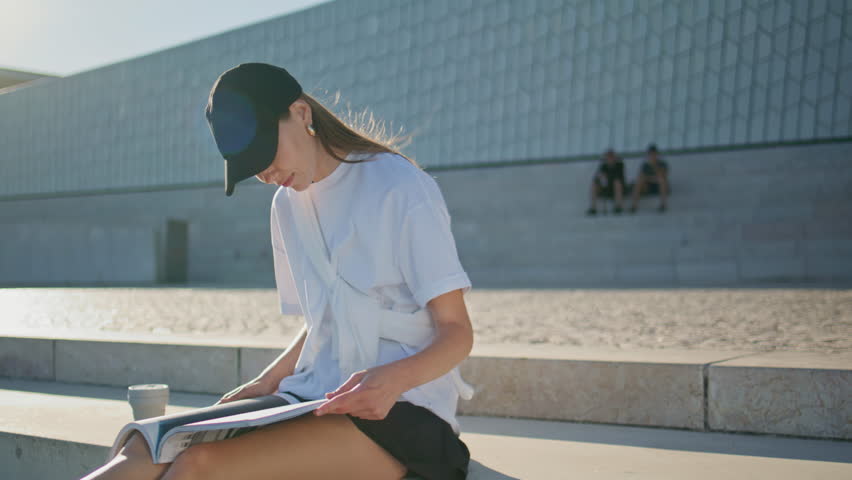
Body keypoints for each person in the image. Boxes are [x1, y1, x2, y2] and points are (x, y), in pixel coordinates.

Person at [81, 63, 475, 480]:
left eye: (266, 151)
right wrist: (268, 381)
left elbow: (457, 331)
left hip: (403, 409)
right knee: (145, 445)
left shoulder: (399, 187)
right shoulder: (287, 205)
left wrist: (392, 380)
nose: (265, 174)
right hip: (310, 395)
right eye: (251, 165)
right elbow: (325, 318)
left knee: (199, 465)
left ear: (302, 114)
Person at [629, 143, 669, 213]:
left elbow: (663, 176)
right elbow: (641, 176)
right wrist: (651, 178)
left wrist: (654, 165)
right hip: (648, 186)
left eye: (654, 154)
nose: (652, 156)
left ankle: (663, 204)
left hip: (659, 186)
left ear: (657, 154)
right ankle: (634, 205)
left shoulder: (662, 164)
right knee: (639, 181)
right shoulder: (645, 165)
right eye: (650, 154)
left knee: (661, 180)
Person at [586, 148, 625, 215]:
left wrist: (607, 177)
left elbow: (618, 178)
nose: (609, 159)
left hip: (617, 189)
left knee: (617, 183)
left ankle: (618, 206)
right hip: (606, 188)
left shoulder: (619, 165)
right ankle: (593, 208)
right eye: (608, 157)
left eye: (611, 157)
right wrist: (600, 176)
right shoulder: (603, 166)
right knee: (594, 184)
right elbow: (597, 178)